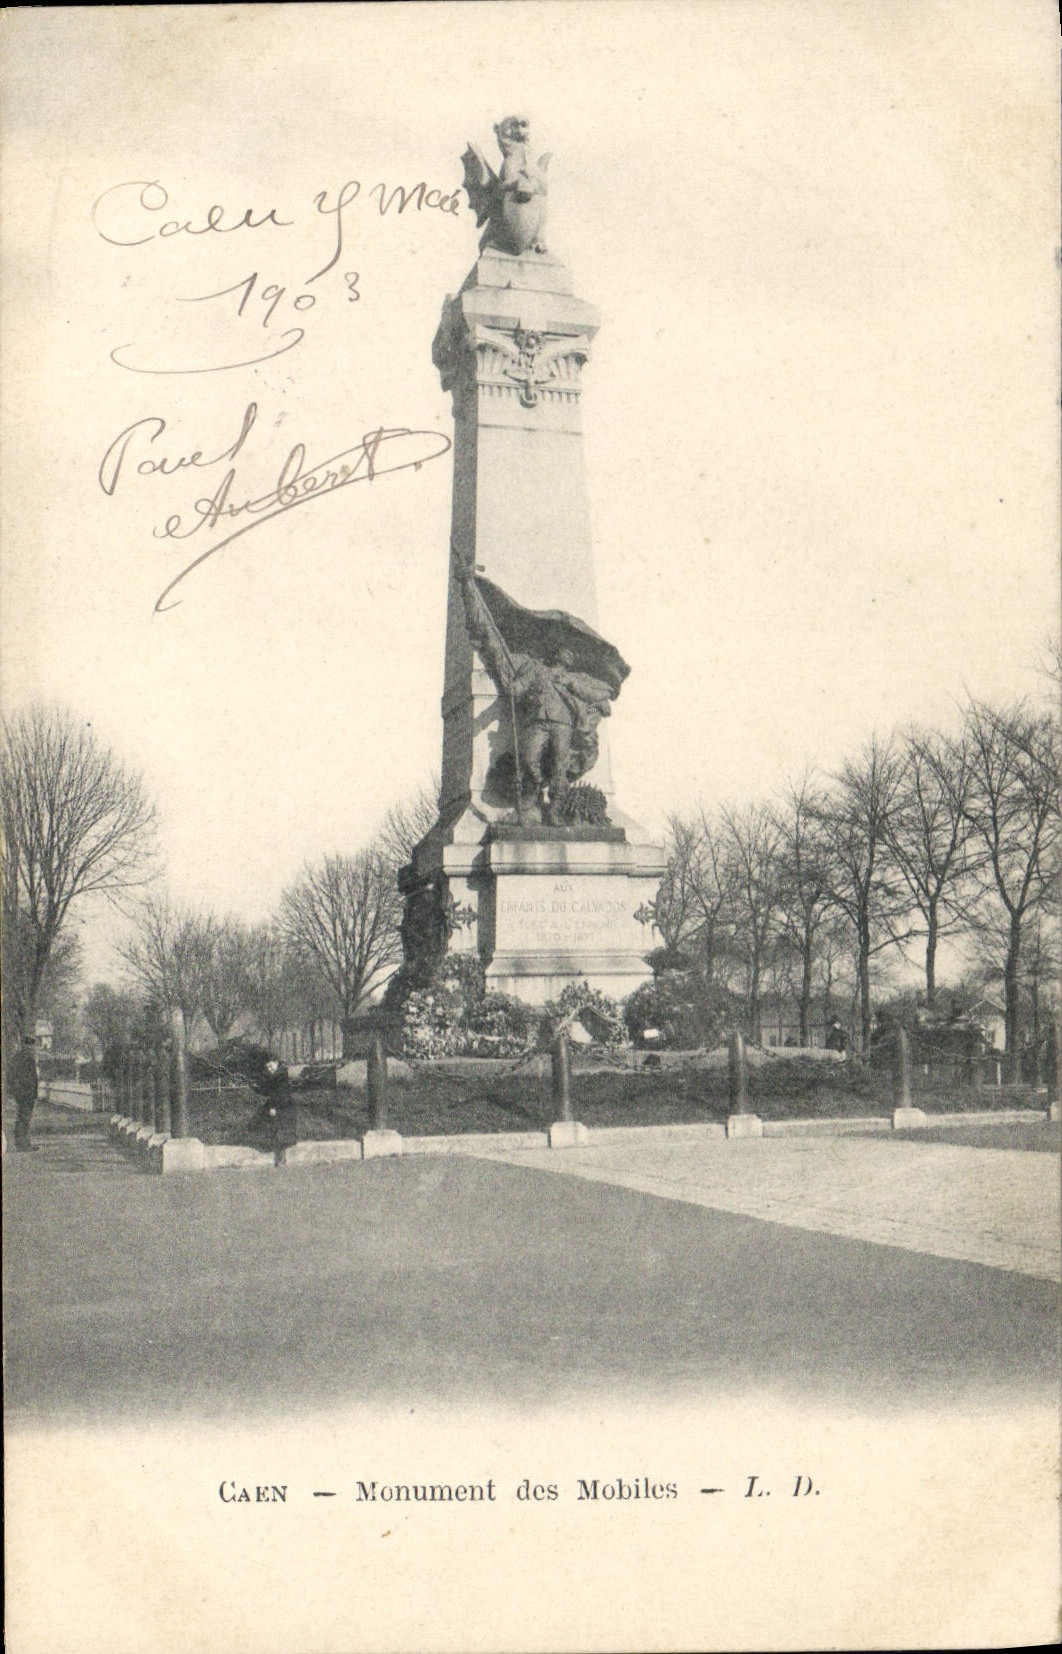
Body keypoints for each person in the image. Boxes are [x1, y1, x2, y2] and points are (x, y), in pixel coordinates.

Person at [9, 1035, 40, 1151]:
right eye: (31, 1046)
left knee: (22, 1118)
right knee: (25, 1119)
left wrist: (14, 1091)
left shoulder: (16, 1058)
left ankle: (21, 1143)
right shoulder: (28, 1059)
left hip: (21, 1093)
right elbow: (32, 1078)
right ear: (27, 1046)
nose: (33, 1048)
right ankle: (24, 1145)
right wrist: (33, 1093)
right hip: (27, 1093)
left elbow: (11, 1076)